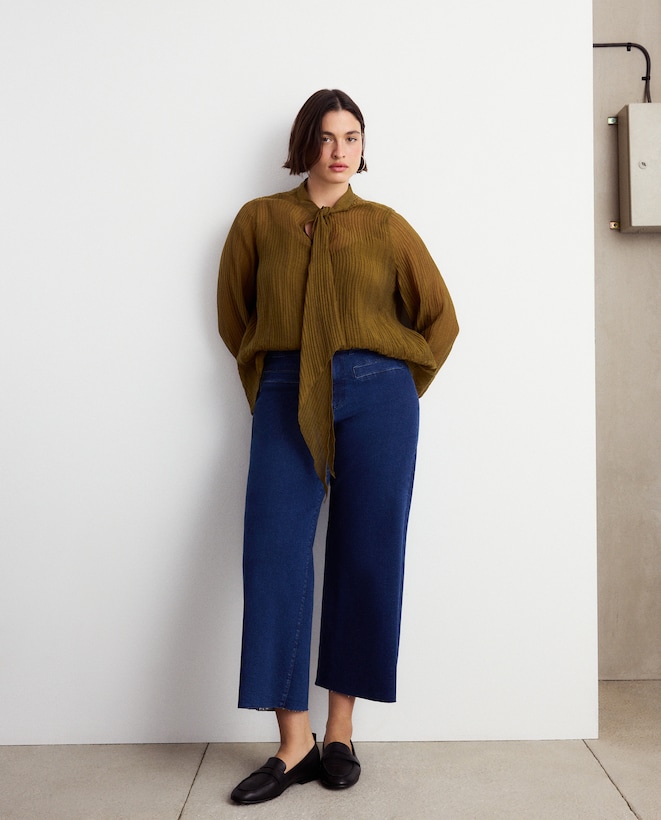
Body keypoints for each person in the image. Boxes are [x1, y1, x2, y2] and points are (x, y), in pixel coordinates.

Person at [217, 88, 458, 805]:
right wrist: (274, 381)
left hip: (378, 392)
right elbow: (235, 315)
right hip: (287, 388)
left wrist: (395, 386)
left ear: (362, 145)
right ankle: (293, 744)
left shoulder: (385, 226)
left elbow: (440, 318)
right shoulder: (259, 220)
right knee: (274, 553)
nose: (339, 150)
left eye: (351, 137)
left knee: (366, 551)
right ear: (304, 144)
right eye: (325, 137)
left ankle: (341, 732)